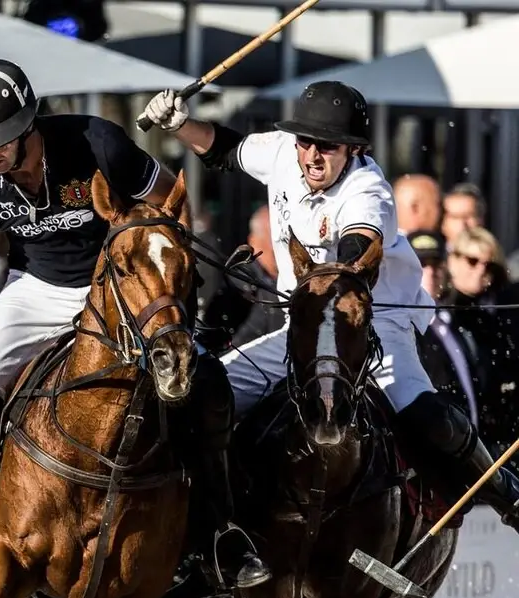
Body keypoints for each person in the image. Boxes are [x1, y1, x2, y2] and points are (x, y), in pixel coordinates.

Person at [0, 58, 270, 598]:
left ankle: (219, 535)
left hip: (121, 288)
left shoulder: (98, 143)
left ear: (28, 124)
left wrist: (171, 297)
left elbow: (170, 205)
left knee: (206, 388)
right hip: (36, 289)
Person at [141, 80, 519, 536]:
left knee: (425, 416)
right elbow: (226, 148)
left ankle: (506, 492)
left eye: (328, 146)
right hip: (303, 324)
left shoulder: (368, 191)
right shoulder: (283, 152)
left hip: (373, 323)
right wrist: (180, 124)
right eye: (306, 142)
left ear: (353, 150)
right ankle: (212, 527)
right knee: (206, 392)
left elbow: (356, 249)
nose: (313, 155)